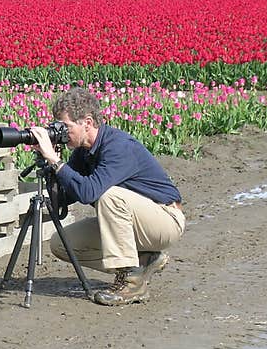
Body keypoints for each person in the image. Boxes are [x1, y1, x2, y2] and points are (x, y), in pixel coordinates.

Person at [29, 85, 185, 306]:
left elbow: (88, 192)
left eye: (65, 127)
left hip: (165, 220)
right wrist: (49, 165)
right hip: (135, 222)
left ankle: (131, 285)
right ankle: (142, 262)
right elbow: (63, 199)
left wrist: (56, 161)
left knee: (108, 196)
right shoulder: (82, 152)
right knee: (61, 244)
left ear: (88, 122)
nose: (62, 133)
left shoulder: (117, 147)